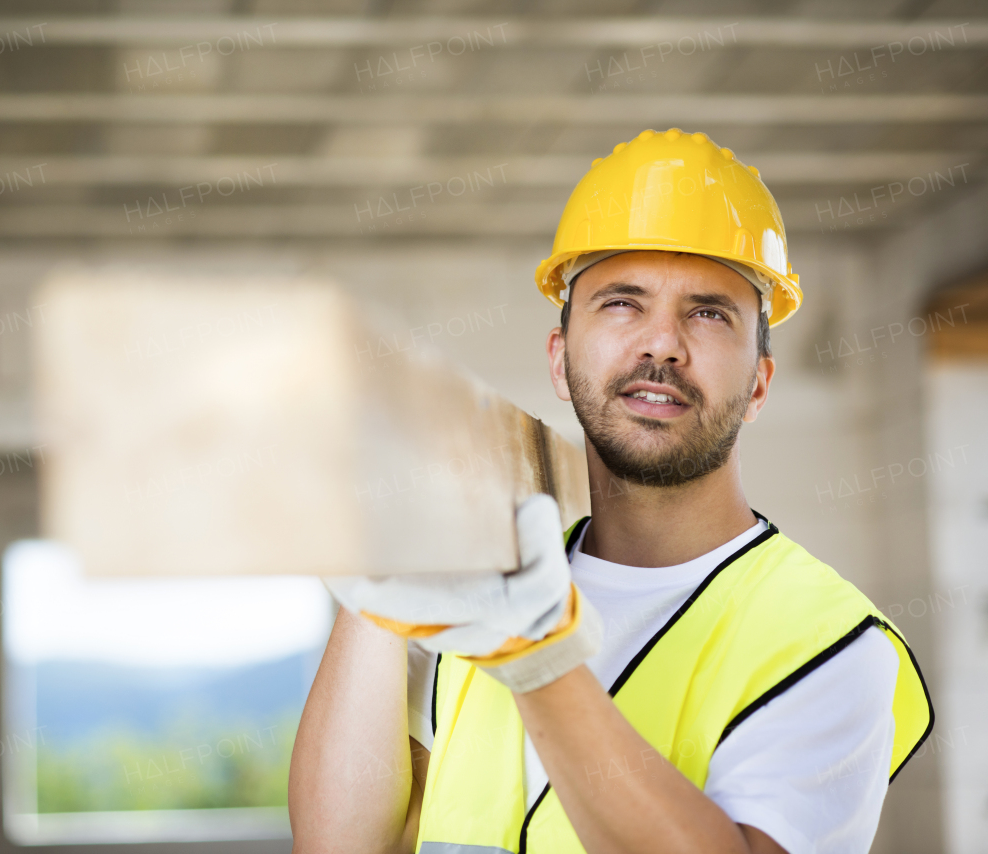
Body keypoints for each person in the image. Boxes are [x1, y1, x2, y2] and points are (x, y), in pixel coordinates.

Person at [288, 129, 933, 854]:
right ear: (561, 362)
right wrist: (379, 584)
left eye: (709, 312)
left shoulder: (830, 642)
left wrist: (537, 657)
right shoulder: (475, 583)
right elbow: (337, 844)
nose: (662, 344)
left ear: (758, 384)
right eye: (623, 304)